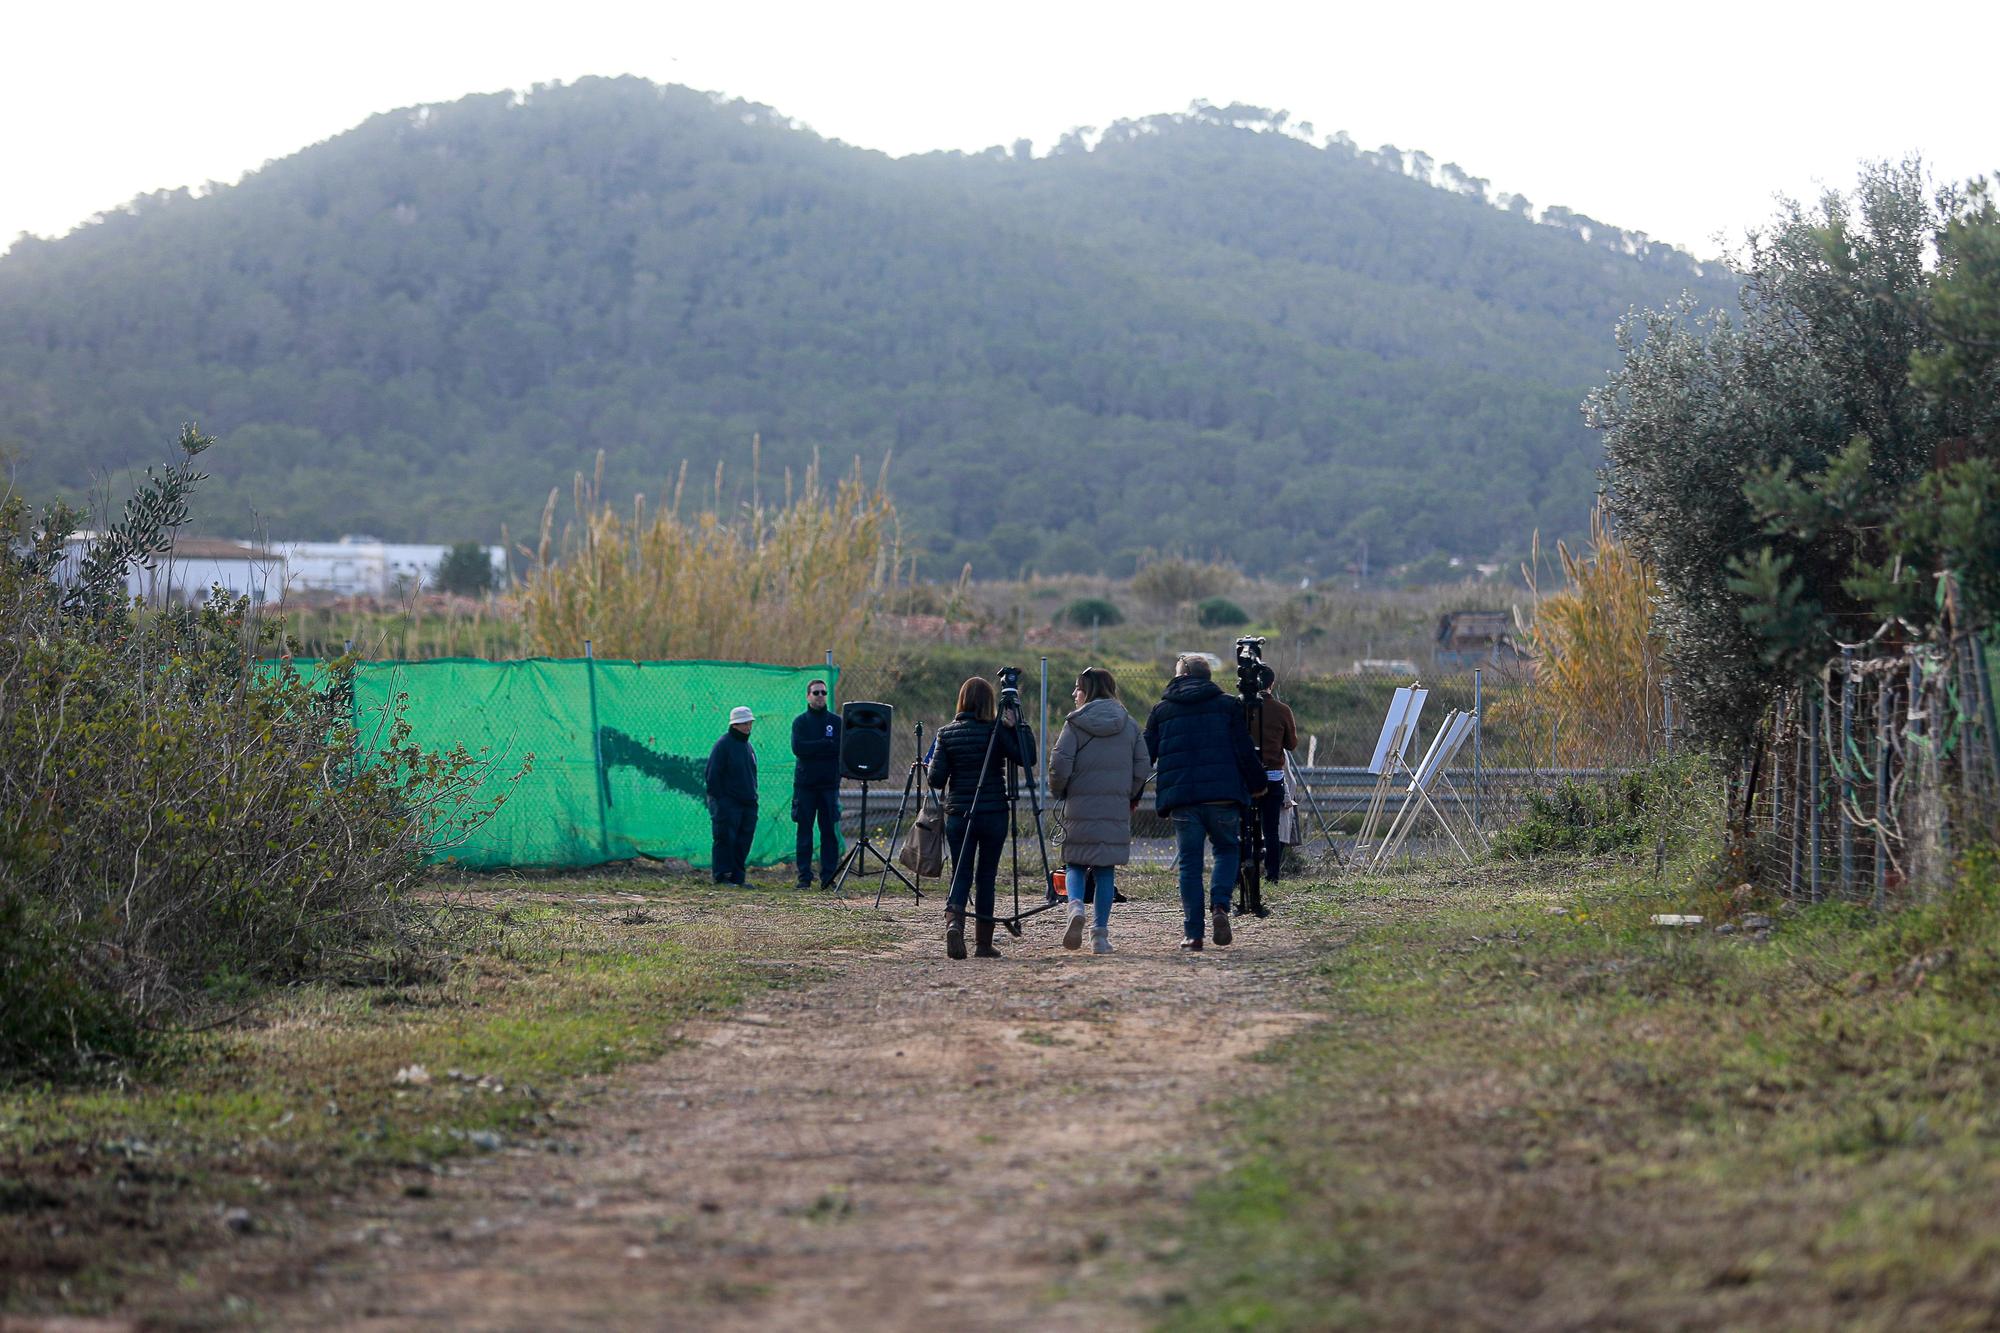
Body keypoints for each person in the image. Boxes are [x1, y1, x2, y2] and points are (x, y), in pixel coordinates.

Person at [1144, 654, 1266, 951]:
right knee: (1226, 850)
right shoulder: (1227, 705)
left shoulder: (1162, 710)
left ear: (1183, 675)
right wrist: (1258, 784)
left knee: (1190, 864)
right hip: (1223, 795)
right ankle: (1221, 907)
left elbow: (1145, 754)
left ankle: (1193, 934)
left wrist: (1131, 790)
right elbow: (1243, 749)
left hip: (1183, 798)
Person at [928, 676, 1035, 960]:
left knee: (961, 872)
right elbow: (1028, 758)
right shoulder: (996, 731)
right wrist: (1018, 727)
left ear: (961, 701)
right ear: (990, 703)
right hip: (994, 813)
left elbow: (936, 779)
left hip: (960, 815)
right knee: (986, 876)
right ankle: (984, 944)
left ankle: (954, 925)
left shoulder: (945, 733)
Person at [1048, 667, 1151, 955]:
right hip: (1115, 806)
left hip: (1080, 804)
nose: (1073, 694)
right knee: (1105, 871)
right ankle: (1100, 936)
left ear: (1088, 691)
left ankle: (1076, 907)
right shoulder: (1129, 724)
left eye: (1077, 689)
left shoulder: (1074, 724)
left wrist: (1060, 790)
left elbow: (1059, 763)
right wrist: (1128, 792)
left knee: (1075, 863)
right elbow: (1143, 765)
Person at [1247, 670, 1300, 884]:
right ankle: (1272, 875)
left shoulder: (1243, 708)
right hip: (1273, 777)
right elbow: (1291, 744)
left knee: (1246, 827)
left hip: (1248, 777)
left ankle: (1241, 873)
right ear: (1272, 683)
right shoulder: (1282, 710)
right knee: (1271, 829)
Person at [790, 679, 842, 888]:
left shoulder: (836, 722)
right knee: (804, 831)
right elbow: (799, 749)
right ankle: (804, 878)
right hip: (806, 786)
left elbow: (839, 747)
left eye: (823, 692)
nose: (820, 696)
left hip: (828, 785)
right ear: (808, 696)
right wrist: (823, 744)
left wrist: (816, 748)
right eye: (816, 693)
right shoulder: (800, 722)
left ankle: (828, 877)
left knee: (829, 832)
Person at [704, 705, 758, 885]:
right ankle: (722, 876)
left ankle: (737, 877)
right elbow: (712, 777)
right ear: (734, 725)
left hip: (747, 803)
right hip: (728, 803)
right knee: (725, 838)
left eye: (749, 722)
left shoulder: (748, 746)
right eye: (743, 723)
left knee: (743, 841)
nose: (747, 727)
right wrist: (722, 802)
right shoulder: (723, 745)